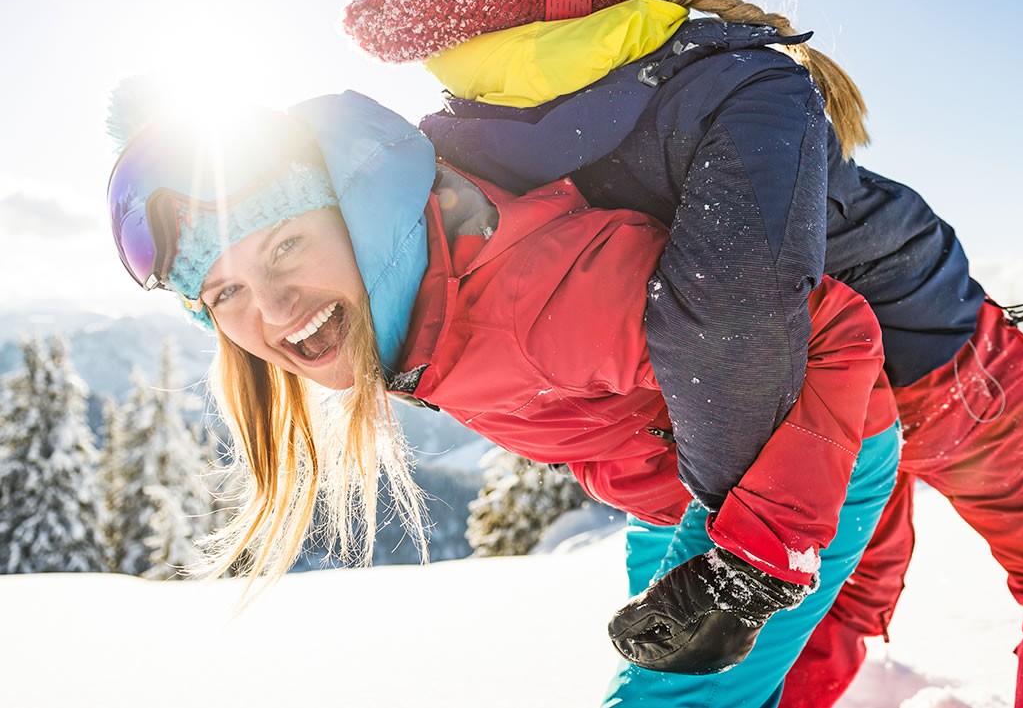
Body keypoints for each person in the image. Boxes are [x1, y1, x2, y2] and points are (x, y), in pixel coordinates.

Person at [340, 0, 1023, 708]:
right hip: (938, 358)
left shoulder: (473, 146)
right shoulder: (728, 83)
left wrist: (718, 516)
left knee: (830, 612)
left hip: (796, 431)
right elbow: (734, 314)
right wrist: (746, 547)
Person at [105, 87, 900, 705]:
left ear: (355, 216)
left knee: (676, 693)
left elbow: (832, 328)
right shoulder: (415, 293)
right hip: (675, 483)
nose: (274, 310)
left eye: (286, 244)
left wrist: (756, 559)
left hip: (792, 463)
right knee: (705, 664)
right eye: (226, 291)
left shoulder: (535, 303)